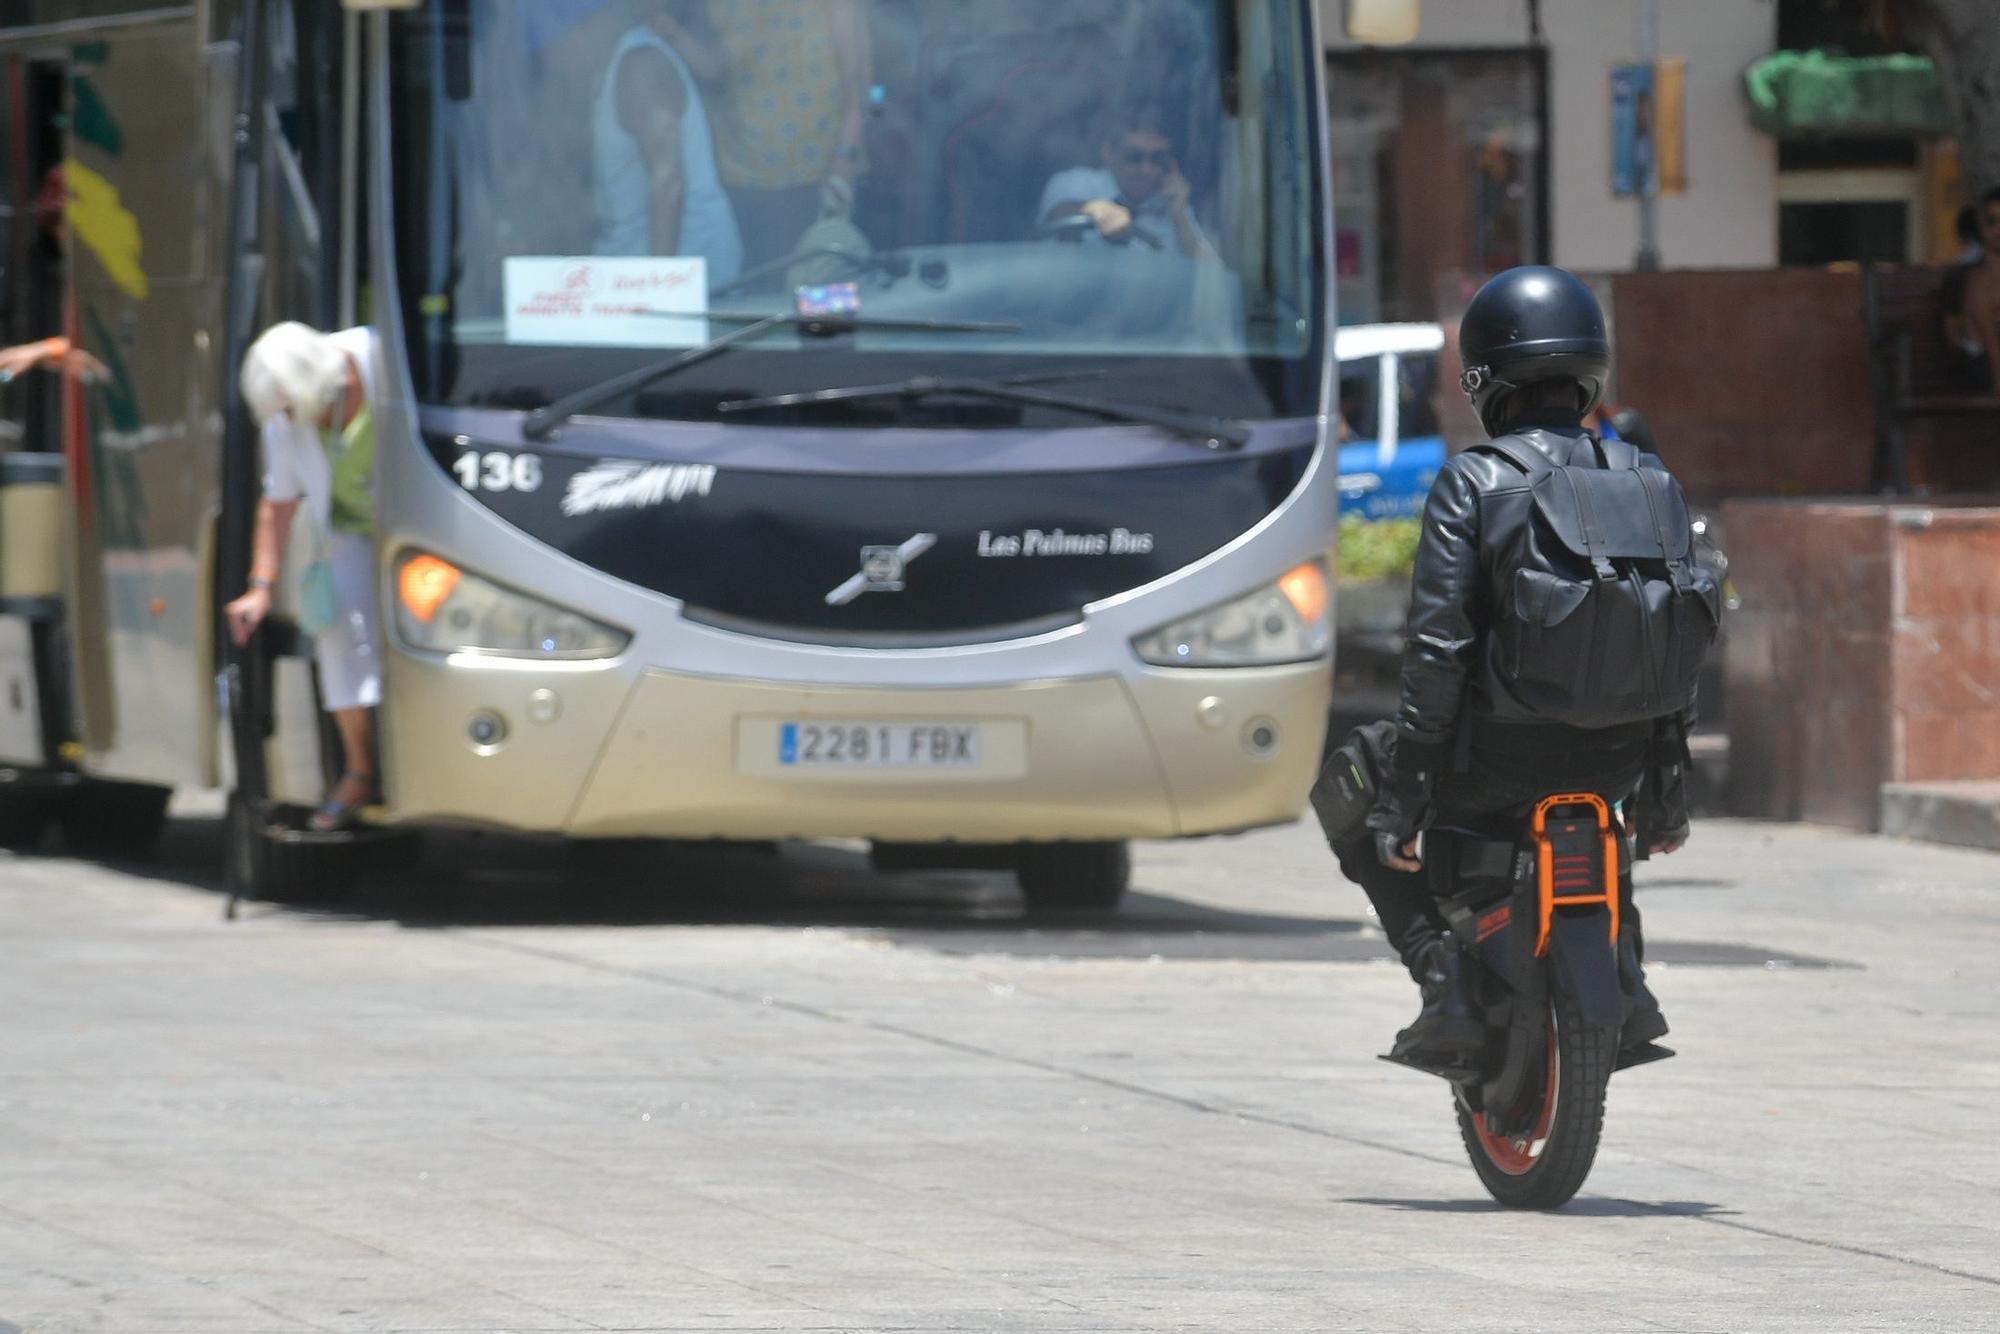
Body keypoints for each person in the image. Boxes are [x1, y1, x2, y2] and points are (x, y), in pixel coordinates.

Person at [1316, 265, 1696, 1067]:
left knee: (1349, 781)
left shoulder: (1474, 481)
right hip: (1617, 765)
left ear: (1484, 372)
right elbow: (1675, 651)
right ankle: (1627, 976)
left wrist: (1405, 802)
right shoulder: (1652, 481)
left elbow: (1439, 652)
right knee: (1611, 823)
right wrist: (1665, 795)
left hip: (1489, 766)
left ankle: (1442, 979)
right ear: (1589, 364)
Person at [223, 322, 385, 832]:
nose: (287, 420)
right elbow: (278, 506)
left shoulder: (381, 357)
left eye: (291, 408)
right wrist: (260, 587)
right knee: (338, 634)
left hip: (419, 523)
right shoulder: (285, 419)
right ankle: (361, 767)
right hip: (348, 535)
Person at [701, 0, 872, 269]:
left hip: (819, 179)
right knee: (763, 295)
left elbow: (858, 81)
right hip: (744, 181)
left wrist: (846, 158)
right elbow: (713, 71)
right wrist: (671, 33)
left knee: (822, 292)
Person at [592, 2, 744, 283]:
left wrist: (658, 287)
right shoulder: (624, 60)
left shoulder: (641, 65)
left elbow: (668, 181)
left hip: (681, 291)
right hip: (642, 283)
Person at [1038, 108, 1213, 260]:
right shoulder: (1077, 182)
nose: (1147, 169)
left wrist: (1180, 216)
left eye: (1157, 159)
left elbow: (1210, 278)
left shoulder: (1172, 205)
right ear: (1108, 153)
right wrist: (1095, 209)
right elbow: (1059, 214)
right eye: (1134, 157)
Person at [1956, 186, 2000, 393]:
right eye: (1991, 221)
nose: (1998, 229)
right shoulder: (1977, 279)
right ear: (1980, 227)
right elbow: (1989, 342)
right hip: (1987, 366)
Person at [0, 336, 107, 385]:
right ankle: (101, 372)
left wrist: (9, 373)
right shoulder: (62, 349)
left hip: (47, 350)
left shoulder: (62, 359)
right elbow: (31, 358)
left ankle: (101, 372)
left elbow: (28, 358)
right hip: (35, 354)